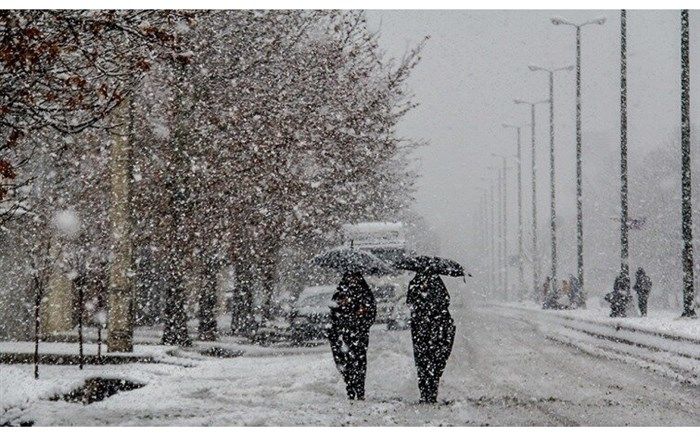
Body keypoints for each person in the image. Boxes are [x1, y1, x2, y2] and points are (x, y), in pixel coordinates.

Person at [407, 271, 456, 404]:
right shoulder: (414, 284)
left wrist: (429, 302)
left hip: (436, 329)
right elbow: (410, 302)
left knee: (436, 361)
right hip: (421, 331)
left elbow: (444, 302)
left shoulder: (437, 285)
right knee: (422, 361)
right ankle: (425, 393)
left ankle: (431, 390)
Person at [327, 270, 376, 400]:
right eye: (350, 277)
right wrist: (341, 306)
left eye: (355, 277)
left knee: (359, 362)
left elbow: (371, 313)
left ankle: (359, 390)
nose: (352, 280)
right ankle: (350, 387)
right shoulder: (340, 293)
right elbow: (333, 313)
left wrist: (361, 317)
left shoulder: (365, 293)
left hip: (359, 334)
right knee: (344, 362)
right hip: (342, 334)